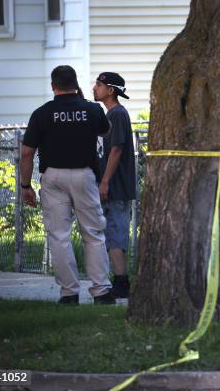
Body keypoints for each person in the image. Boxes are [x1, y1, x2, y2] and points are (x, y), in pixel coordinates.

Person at [20, 65, 115, 305]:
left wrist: (25, 186)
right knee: (93, 233)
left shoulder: (41, 114)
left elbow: (27, 153)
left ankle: (69, 293)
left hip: (53, 177)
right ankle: (101, 291)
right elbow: (107, 130)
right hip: (85, 175)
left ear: (53, 86)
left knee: (59, 236)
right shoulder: (92, 110)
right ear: (76, 84)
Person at [92, 72, 136, 298]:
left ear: (110, 90)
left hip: (116, 186)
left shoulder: (117, 114)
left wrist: (105, 182)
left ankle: (122, 282)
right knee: (109, 233)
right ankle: (118, 279)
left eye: (98, 85)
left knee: (116, 232)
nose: (94, 88)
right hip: (110, 185)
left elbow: (116, 150)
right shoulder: (109, 114)